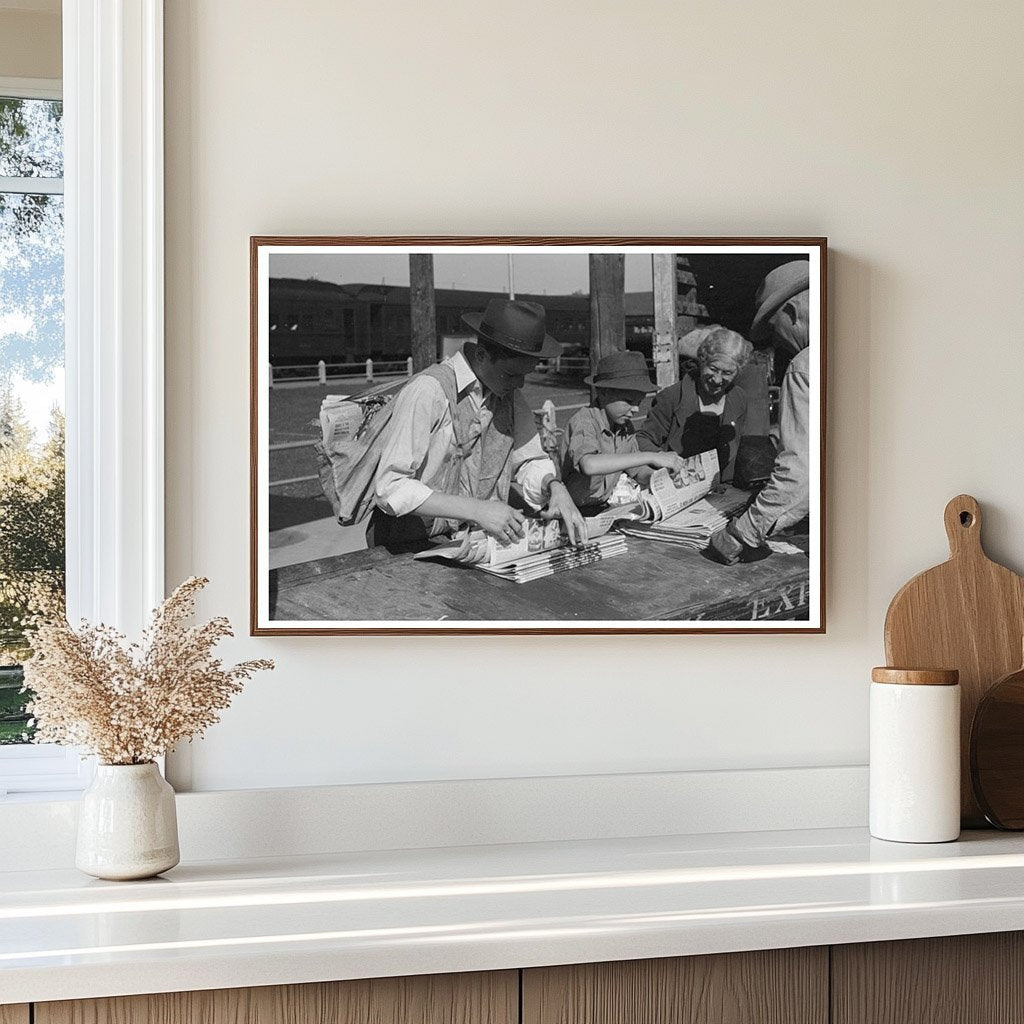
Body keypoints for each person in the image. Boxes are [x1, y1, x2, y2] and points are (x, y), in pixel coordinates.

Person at [370, 297, 587, 556]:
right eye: (511, 374)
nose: (519, 385)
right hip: (406, 543)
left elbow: (529, 461)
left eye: (524, 375)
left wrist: (554, 486)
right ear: (482, 355)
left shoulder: (509, 396)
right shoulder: (429, 391)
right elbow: (390, 486)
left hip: (466, 543)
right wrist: (476, 510)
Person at [708, 260, 812, 564]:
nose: (774, 341)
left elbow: (801, 474)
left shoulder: (805, 365)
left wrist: (741, 533)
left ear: (791, 313)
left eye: (772, 328)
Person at [561, 350, 699, 511]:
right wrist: (652, 456)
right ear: (603, 392)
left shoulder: (625, 427)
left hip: (601, 506)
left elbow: (636, 470)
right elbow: (589, 465)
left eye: (639, 402)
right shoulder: (585, 422)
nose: (635, 409)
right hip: (569, 508)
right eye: (628, 401)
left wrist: (658, 479)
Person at [637, 326, 753, 481]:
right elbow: (643, 439)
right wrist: (660, 457)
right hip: (678, 485)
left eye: (727, 373)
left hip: (723, 491)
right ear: (702, 360)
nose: (717, 379)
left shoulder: (739, 398)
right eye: (713, 369)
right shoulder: (672, 397)